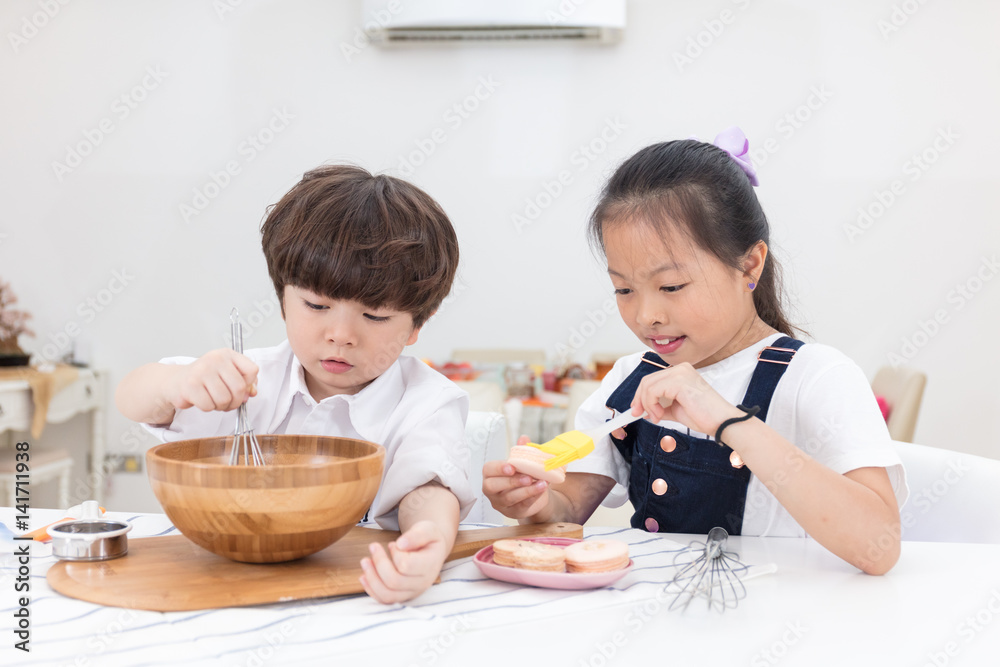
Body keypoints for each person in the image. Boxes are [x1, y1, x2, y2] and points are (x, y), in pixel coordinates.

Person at [483, 128, 907, 575]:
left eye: (672, 286)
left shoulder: (817, 377)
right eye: (623, 289)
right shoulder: (630, 380)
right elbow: (567, 508)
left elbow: (878, 548)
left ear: (749, 265)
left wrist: (727, 419)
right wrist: (533, 501)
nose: (646, 314)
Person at [117, 164, 474, 602]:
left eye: (375, 316)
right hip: (230, 586)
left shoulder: (427, 401)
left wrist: (429, 541)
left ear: (417, 326)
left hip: (352, 593)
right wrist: (177, 382)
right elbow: (134, 396)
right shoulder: (248, 378)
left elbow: (428, 489)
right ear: (283, 298)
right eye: (317, 305)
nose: (341, 334)